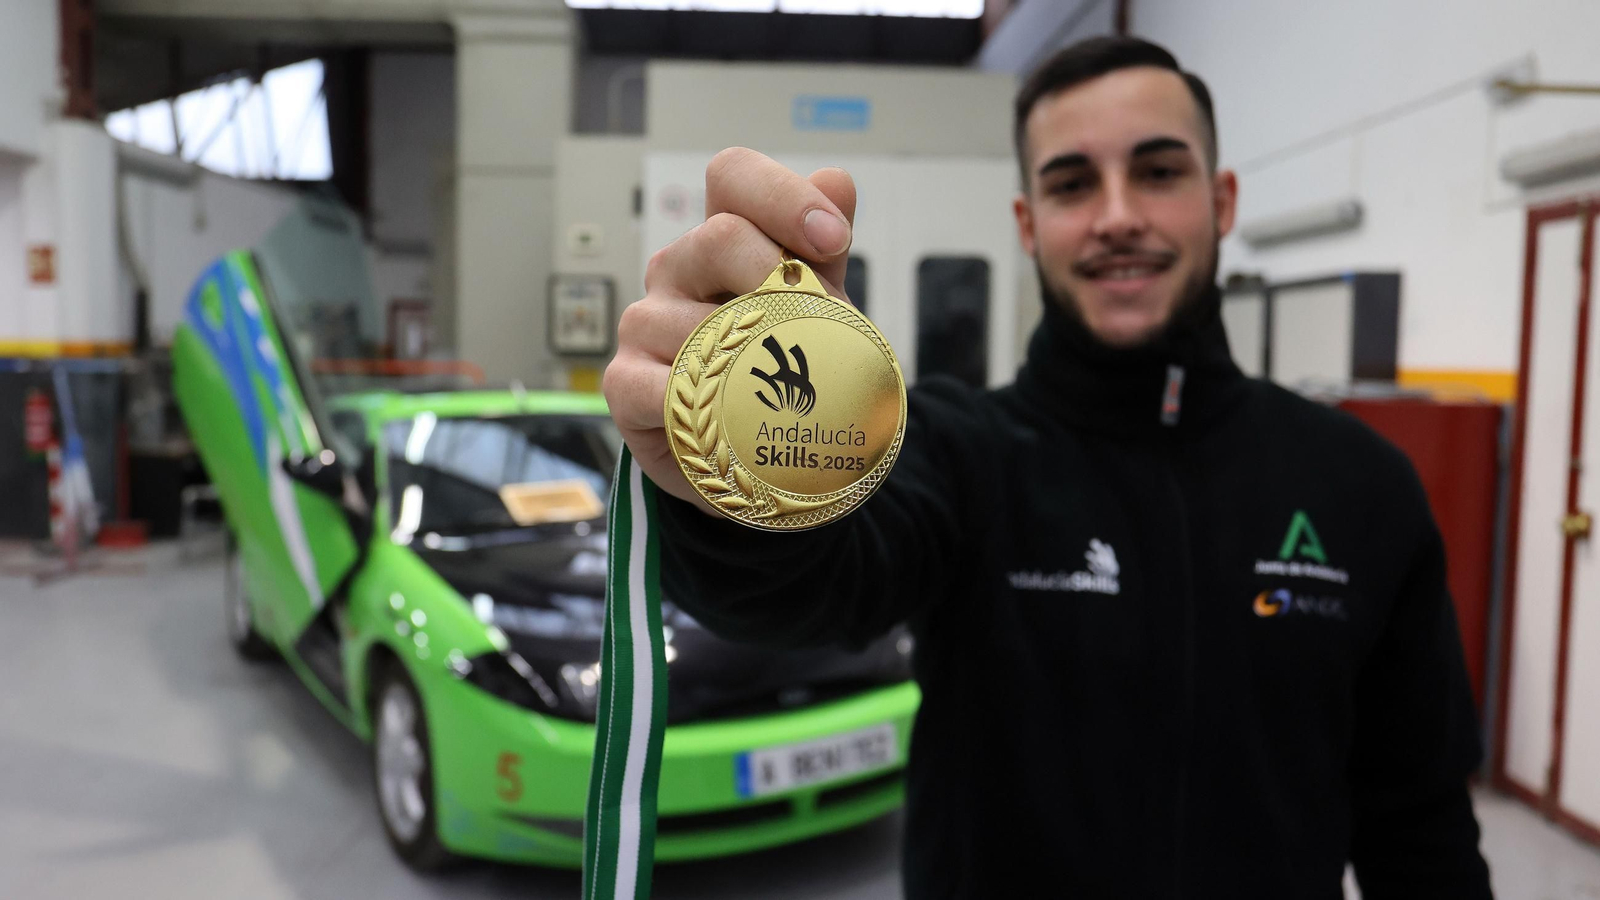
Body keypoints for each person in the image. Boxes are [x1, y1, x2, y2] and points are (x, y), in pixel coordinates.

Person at [602, 36, 1493, 899]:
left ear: (1222, 200)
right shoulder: (959, 451)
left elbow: (1418, 826)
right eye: (1072, 183)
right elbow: (808, 589)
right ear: (1029, 223)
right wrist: (737, 480)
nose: (1116, 215)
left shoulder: (1361, 484)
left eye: (1158, 171)